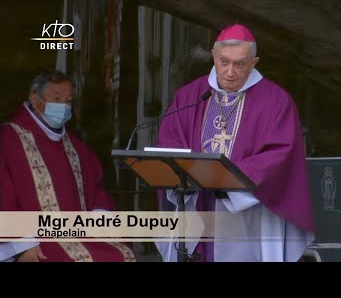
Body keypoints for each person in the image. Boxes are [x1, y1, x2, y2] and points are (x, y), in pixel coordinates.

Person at [155, 23, 315, 262]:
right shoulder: (190, 96)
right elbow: (170, 140)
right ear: (213, 56)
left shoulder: (276, 102)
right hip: (196, 200)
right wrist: (191, 172)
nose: (230, 71)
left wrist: (227, 177)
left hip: (243, 208)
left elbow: (280, 156)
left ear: (254, 62)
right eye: (224, 62)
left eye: (239, 64)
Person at [0, 70, 136, 262]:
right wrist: (22, 245)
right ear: (35, 99)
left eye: (68, 100)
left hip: (79, 232)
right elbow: (3, 197)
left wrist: (100, 217)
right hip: (36, 239)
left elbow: (96, 187)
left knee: (123, 254)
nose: (64, 106)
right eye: (57, 99)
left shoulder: (74, 145)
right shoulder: (9, 140)